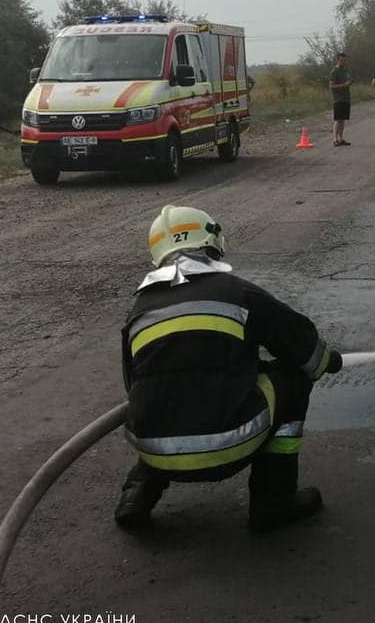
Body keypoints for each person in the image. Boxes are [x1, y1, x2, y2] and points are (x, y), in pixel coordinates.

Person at [113, 204, 344, 532]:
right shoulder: (238, 293)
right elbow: (304, 352)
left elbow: (134, 389)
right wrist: (327, 361)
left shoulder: (139, 310)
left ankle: (137, 494)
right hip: (229, 445)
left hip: (154, 450)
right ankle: (274, 503)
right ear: (213, 242)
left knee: (161, 397)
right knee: (291, 379)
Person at [328, 52, 353, 146]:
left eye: (345, 60)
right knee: (338, 119)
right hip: (338, 98)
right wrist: (344, 85)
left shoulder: (345, 70)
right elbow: (331, 86)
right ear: (337, 60)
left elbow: (349, 79)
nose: (343, 62)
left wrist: (350, 82)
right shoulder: (334, 71)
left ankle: (341, 138)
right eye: (342, 60)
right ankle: (335, 139)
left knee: (343, 120)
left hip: (346, 98)